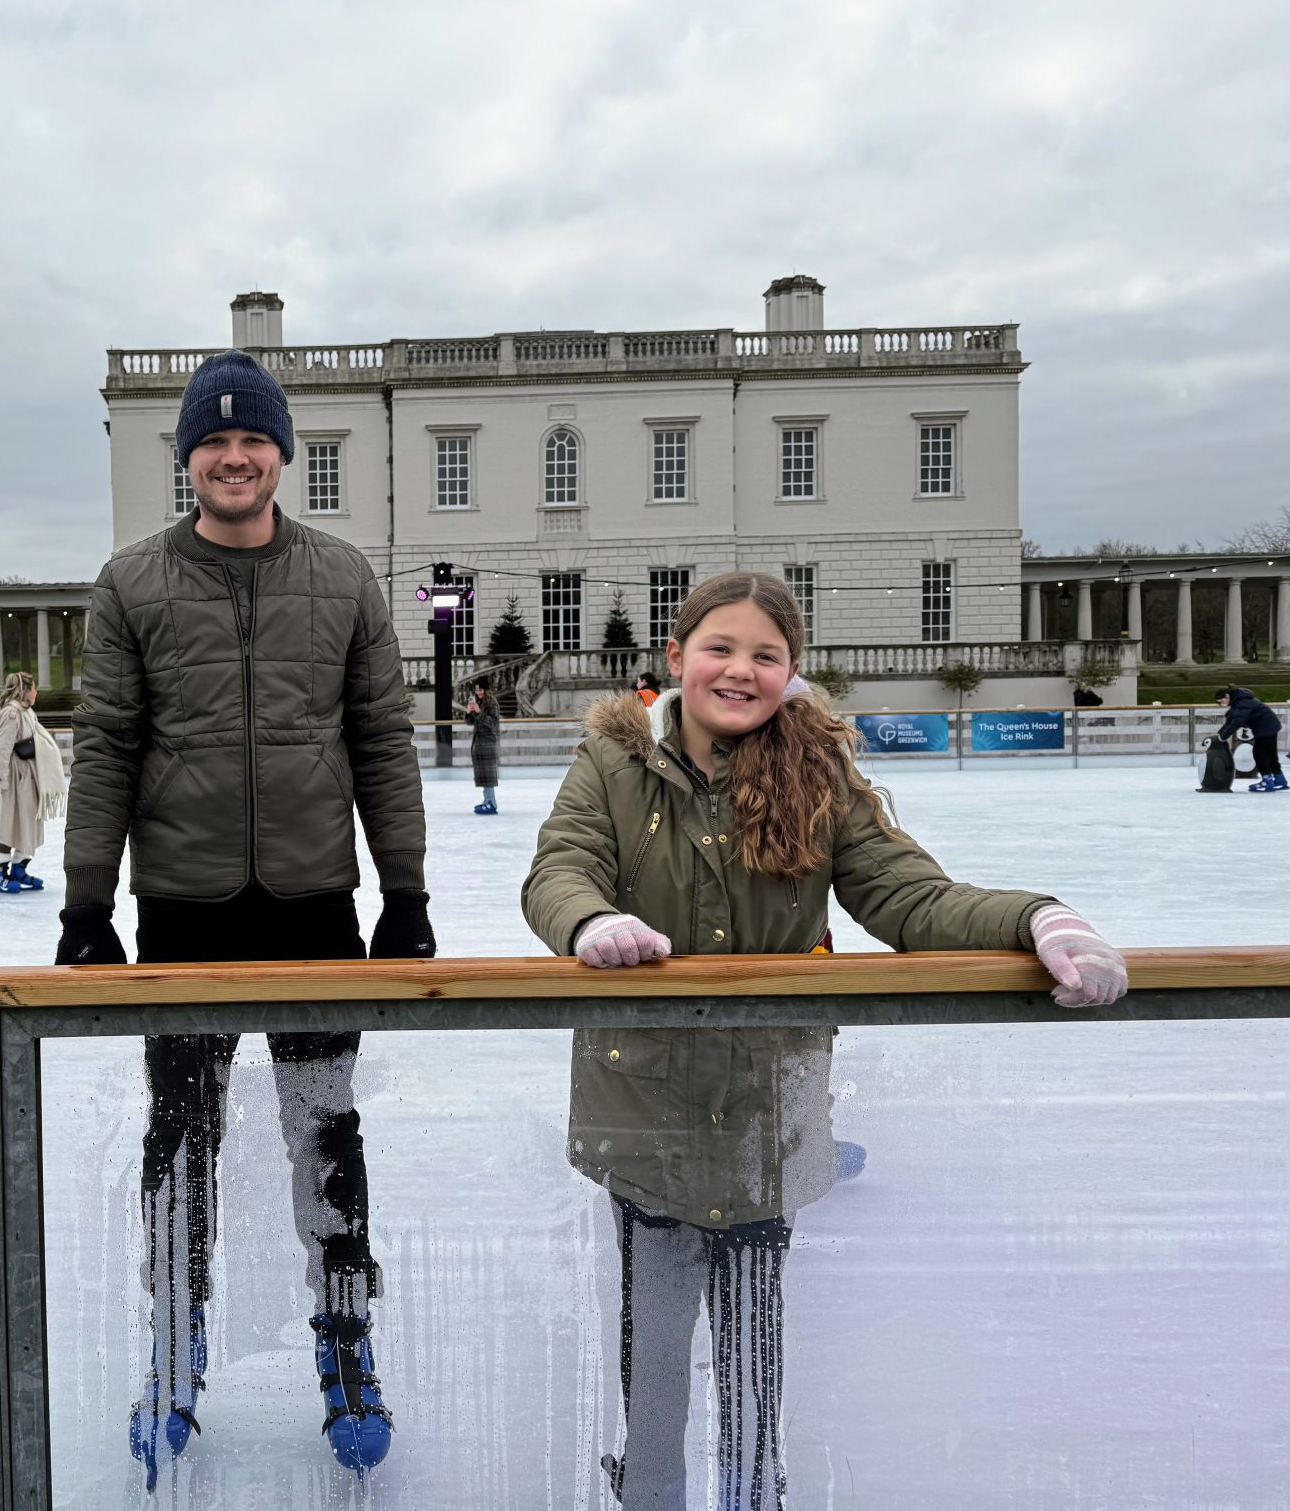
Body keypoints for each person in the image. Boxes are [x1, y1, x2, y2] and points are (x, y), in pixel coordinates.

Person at [521, 571, 1128, 1510]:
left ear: (791, 673)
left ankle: (754, 1492)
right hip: (640, 1102)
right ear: (676, 660)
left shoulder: (817, 775)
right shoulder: (613, 764)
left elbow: (906, 895)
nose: (740, 669)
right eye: (721, 648)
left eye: (767, 655)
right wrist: (587, 922)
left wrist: (1034, 918)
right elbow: (559, 867)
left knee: (755, 1348)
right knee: (657, 1346)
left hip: (770, 1103)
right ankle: (648, 1491)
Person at [58, 348, 434, 1484]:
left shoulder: (344, 576)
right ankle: (174, 1349)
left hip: (317, 906)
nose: (232, 457)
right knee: (183, 1138)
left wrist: (403, 888)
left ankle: (345, 1345)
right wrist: (86, 905)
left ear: (280, 453)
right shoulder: (131, 583)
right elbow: (108, 746)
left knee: (324, 1130)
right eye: (212, 442)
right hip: (182, 912)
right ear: (187, 459)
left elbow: (378, 737)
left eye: (251, 439)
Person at [0, 671, 65, 893]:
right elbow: (2, 747)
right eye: (34, 688)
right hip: (14, 778)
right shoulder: (12, 713)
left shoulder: (26, 712)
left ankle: (19, 867)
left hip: (28, 775)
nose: (36, 692)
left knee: (28, 823)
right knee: (10, 825)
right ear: (25, 690)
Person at [1214, 683, 1284, 793]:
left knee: (1260, 755)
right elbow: (1231, 721)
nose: (1222, 704)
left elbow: (1236, 722)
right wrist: (1220, 734)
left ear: (1227, 696)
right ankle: (1280, 780)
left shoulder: (1241, 703)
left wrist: (1223, 737)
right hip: (1269, 726)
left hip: (1264, 729)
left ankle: (1267, 781)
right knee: (1270, 755)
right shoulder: (1240, 700)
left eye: (1222, 701)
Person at [466, 679, 500, 814]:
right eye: (476, 690)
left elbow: (492, 723)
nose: (478, 692)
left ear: (486, 690)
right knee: (484, 776)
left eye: (480, 690)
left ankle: (492, 802)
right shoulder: (479, 702)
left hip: (488, 742)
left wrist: (479, 712)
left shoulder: (492, 703)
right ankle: (487, 800)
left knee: (488, 775)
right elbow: (470, 722)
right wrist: (469, 712)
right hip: (479, 743)